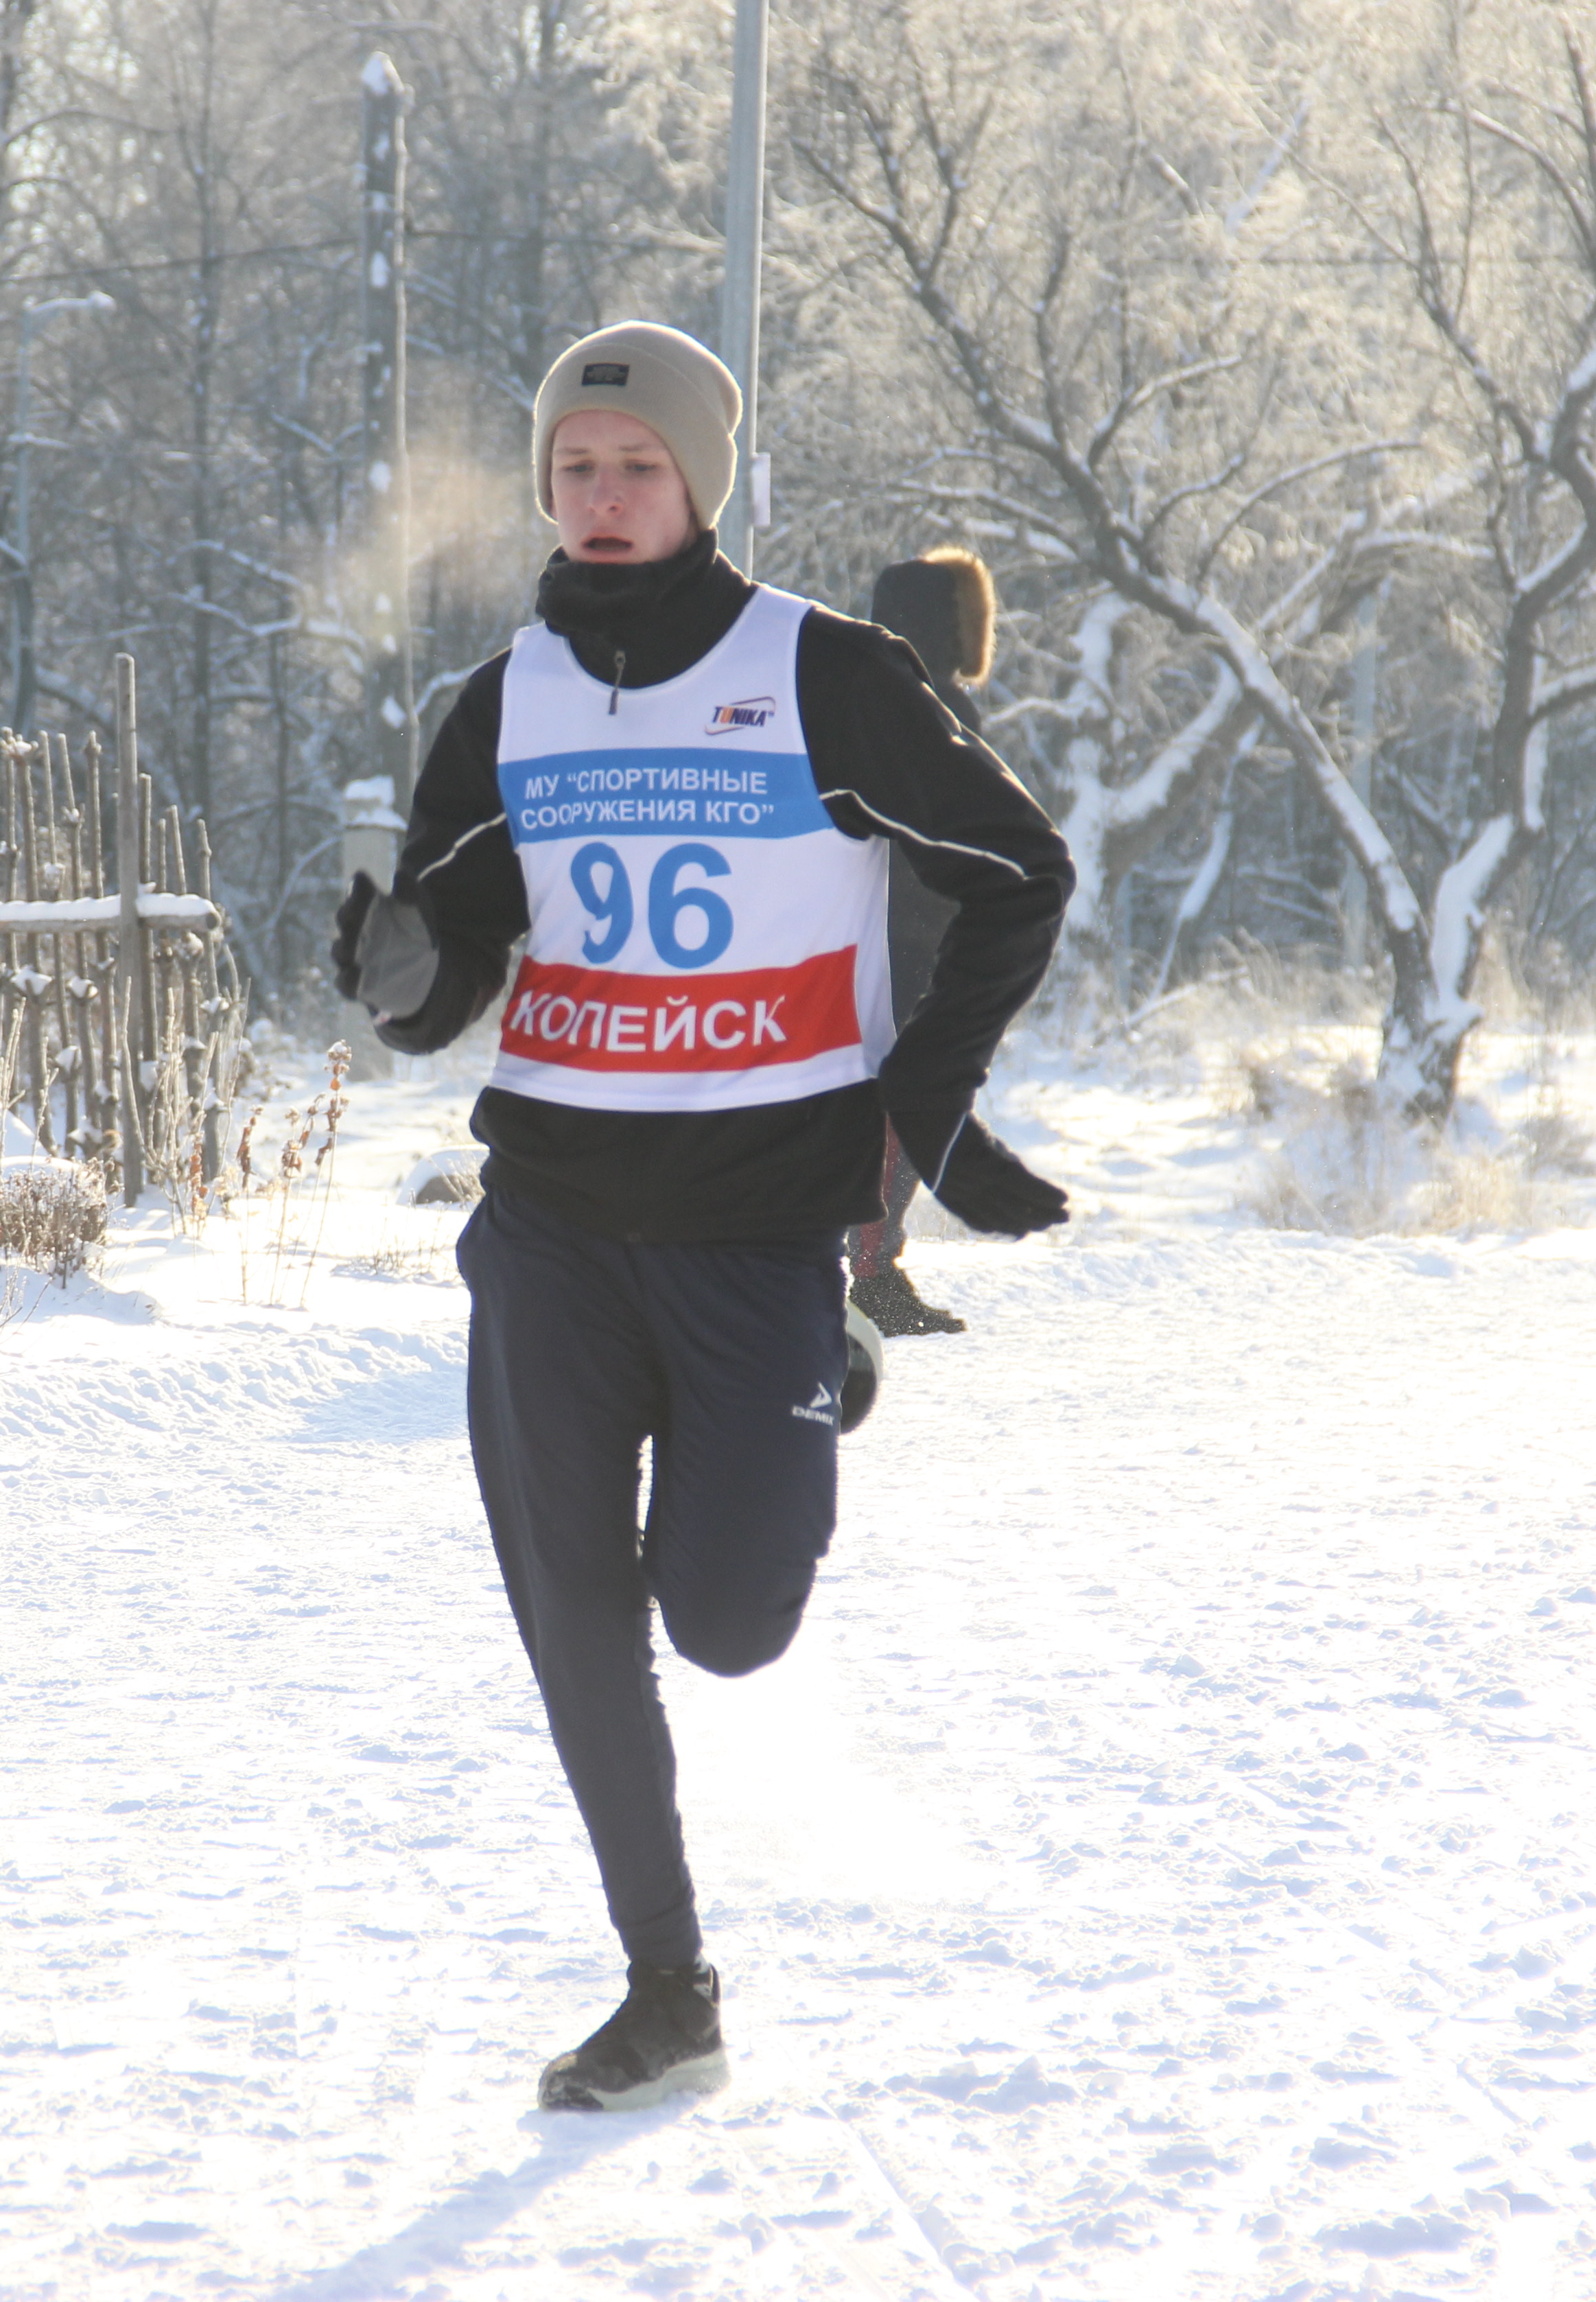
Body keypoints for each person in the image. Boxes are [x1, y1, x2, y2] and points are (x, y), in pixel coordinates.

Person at [331, 321, 1074, 2111]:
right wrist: (400, 972)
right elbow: (452, 980)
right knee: (574, 1613)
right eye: (576, 470)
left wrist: (917, 1107)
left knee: (725, 1622)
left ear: (697, 484)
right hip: (554, 1224)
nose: (602, 497)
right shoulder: (503, 702)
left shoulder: (823, 672)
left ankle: (823, 1360)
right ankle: (667, 1988)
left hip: (756, 1233)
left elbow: (1018, 873)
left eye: (636, 468)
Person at [849, 549, 1005, 1336]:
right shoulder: (936, 709)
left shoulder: (861, 700)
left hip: (870, 937)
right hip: (916, 943)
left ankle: (868, 1262)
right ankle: (871, 1269)